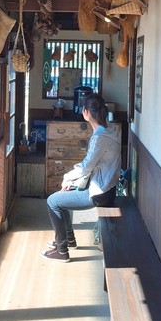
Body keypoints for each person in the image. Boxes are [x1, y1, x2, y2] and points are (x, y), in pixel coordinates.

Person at [41, 93, 121, 262]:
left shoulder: (100, 137)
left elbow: (86, 167)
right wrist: (72, 181)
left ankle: (61, 250)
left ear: (86, 112)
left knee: (52, 201)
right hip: (108, 189)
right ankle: (68, 240)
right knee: (64, 194)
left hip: (99, 193)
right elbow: (91, 166)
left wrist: (67, 177)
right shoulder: (111, 130)